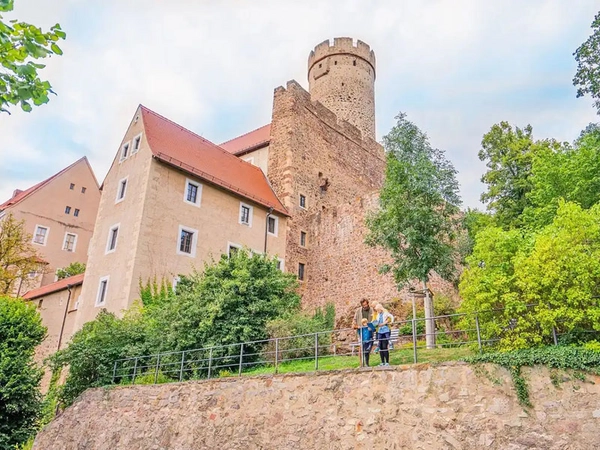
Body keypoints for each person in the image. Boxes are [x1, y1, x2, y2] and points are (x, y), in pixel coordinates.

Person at [353, 299, 374, 366]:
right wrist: (357, 326)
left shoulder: (372, 310)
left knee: (367, 349)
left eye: (366, 304)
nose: (365, 306)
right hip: (361, 333)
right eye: (363, 305)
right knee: (361, 348)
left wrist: (371, 326)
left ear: (368, 303)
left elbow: (375, 320)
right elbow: (353, 323)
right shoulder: (358, 311)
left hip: (369, 333)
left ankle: (367, 363)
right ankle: (361, 364)